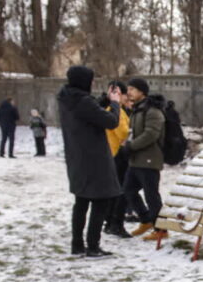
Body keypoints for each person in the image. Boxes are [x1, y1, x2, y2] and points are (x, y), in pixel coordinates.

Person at [56, 66, 122, 258]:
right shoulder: (83, 101)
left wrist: (103, 100)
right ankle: (93, 246)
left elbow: (89, 113)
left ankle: (77, 245)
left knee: (81, 201)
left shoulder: (67, 98)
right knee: (101, 201)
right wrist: (115, 103)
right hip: (95, 159)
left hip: (77, 158)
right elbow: (111, 121)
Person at [123, 78, 166, 241]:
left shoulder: (152, 110)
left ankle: (161, 228)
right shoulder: (138, 109)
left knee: (151, 195)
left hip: (149, 160)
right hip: (136, 160)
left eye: (132, 89)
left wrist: (131, 145)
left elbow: (151, 134)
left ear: (142, 91)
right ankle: (146, 219)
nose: (129, 92)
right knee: (128, 190)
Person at [103, 81, 132, 238]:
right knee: (121, 191)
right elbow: (122, 133)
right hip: (117, 155)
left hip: (111, 154)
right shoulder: (117, 112)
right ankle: (114, 224)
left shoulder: (113, 110)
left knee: (114, 192)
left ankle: (109, 222)